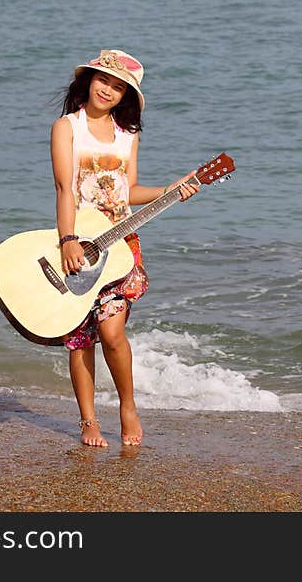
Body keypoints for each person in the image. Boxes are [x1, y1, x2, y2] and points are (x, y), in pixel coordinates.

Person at [50, 49, 198, 447]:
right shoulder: (67, 127)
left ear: (125, 96)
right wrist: (67, 241)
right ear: (89, 81)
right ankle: (87, 421)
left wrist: (171, 190)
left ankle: (127, 406)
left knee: (112, 332)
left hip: (120, 244)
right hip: (77, 242)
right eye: (104, 81)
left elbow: (129, 191)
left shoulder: (127, 134)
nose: (108, 90)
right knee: (81, 337)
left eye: (118, 87)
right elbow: (65, 189)